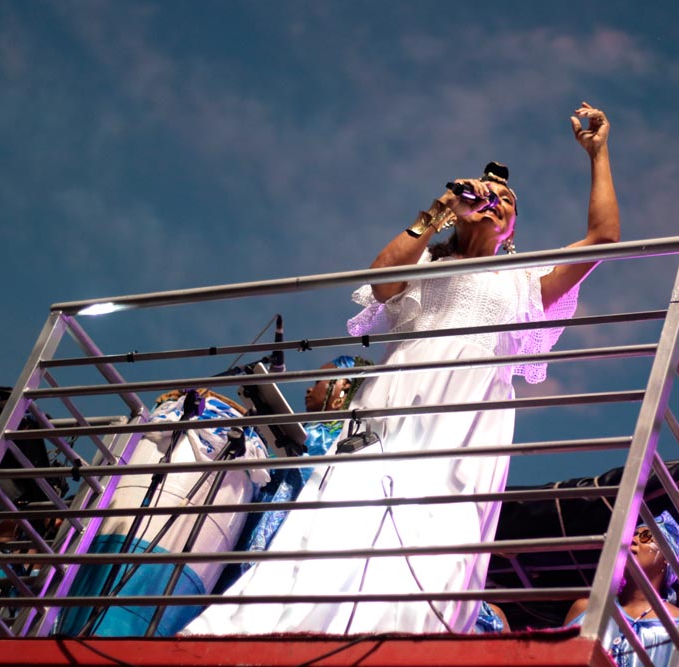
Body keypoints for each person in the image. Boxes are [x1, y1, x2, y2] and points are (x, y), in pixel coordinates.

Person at [180, 101, 619, 637]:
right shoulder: (428, 261)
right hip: (398, 404)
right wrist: (437, 211)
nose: (496, 202)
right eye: (486, 194)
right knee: (347, 513)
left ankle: (408, 639)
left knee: (438, 532)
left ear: (513, 227)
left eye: (507, 200)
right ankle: (287, 631)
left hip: (468, 423)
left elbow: (603, 238)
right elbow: (382, 280)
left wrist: (598, 154)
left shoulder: (526, 279)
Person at [213, 355, 374, 592]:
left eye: (319, 382)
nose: (309, 389)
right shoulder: (311, 434)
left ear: (343, 389)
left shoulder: (329, 438)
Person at [564, 511, 679, 667]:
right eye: (632, 535)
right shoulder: (585, 609)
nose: (632, 540)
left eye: (645, 536)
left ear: (668, 558)